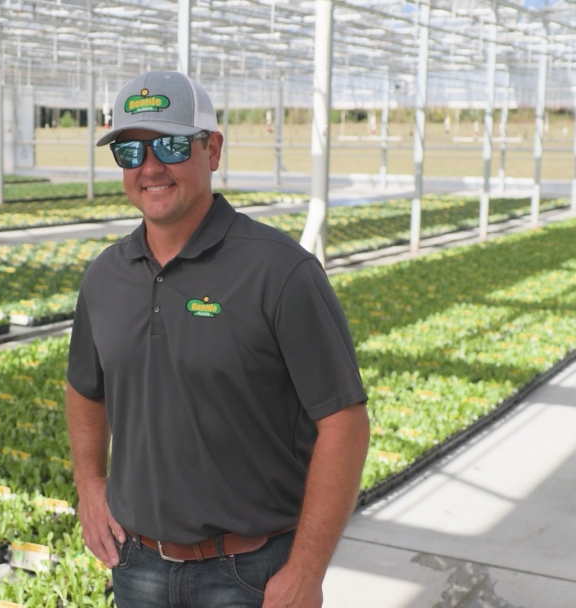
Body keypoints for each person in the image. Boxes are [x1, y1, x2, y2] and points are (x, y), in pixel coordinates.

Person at [66, 70, 370, 608]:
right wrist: (89, 484)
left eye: (171, 145)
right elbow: (84, 388)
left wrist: (306, 570)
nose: (150, 167)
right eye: (130, 152)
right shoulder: (105, 277)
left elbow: (344, 422)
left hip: (250, 573)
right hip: (136, 569)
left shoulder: (280, 272)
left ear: (212, 150)